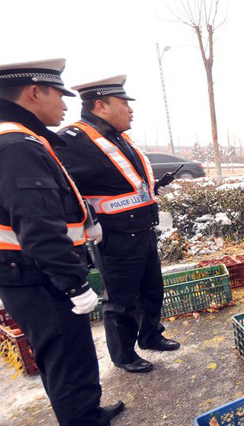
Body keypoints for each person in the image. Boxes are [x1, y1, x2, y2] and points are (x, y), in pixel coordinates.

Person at [0, 59, 129, 426]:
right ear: (34, 92)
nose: (65, 105)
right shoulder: (15, 146)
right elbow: (38, 227)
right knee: (70, 366)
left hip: (31, 273)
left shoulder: (15, 137)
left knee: (72, 360)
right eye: (59, 95)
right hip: (38, 277)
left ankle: (88, 419)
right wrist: (74, 282)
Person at [55, 76, 179, 374]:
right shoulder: (71, 140)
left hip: (142, 229)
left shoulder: (118, 137)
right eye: (124, 103)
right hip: (114, 236)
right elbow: (64, 191)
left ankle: (150, 335)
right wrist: (88, 222)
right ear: (101, 105)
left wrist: (151, 190)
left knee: (151, 290)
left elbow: (121, 183)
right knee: (121, 300)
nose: (130, 110)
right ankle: (123, 354)